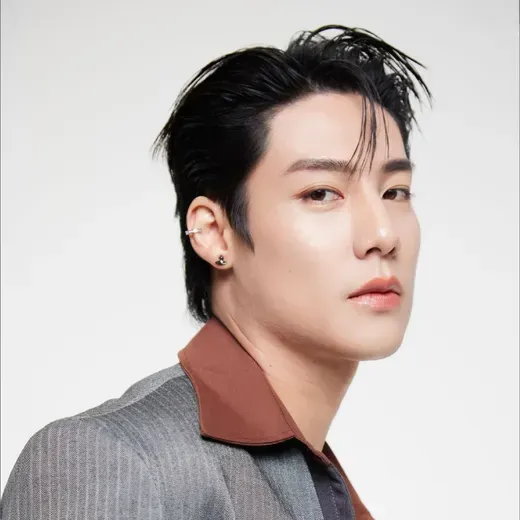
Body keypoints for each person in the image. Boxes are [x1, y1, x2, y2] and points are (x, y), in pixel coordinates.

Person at [0, 24, 431, 520]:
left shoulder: (322, 489)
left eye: (395, 192)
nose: (382, 233)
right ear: (214, 233)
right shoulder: (109, 461)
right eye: (320, 193)